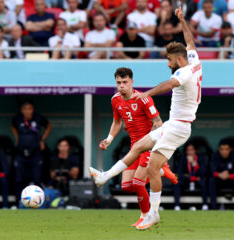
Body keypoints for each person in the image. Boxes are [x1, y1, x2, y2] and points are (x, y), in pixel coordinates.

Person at [90, 7, 202, 229]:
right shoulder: (194, 61)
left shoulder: (183, 73)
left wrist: (147, 93)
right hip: (175, 124)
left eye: (169, 60)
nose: (167, 63)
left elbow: (168, 84)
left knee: (151, 168)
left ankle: (153, 213)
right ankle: (104, 177)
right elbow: (190, 41)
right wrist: (182, 20)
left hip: (179, 126)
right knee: (139, 145)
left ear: (178, 60)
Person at [99, 67, 177, 226]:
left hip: (148, 145)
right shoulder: (115, 100)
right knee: (127, 186)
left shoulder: (143, 98)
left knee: (138, 183)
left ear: (131, 82)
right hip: (134, 147)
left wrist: (151, 139)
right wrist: (109, 139)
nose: (121, 86)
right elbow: (117, 122)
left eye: (125, 82)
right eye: (118, 82)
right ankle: (161, 170)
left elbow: (158, 123)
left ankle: (145, 216)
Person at [11, 100, 51, 205]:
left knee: (37, 178)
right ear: (21, 110)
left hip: (35, 151)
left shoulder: (38, 118)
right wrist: (17, 138)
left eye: (29, 108)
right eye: (25, 109)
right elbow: (13, 127)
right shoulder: (18, 119)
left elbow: (48, 126)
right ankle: (18, 203)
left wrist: (42, 140)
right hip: (21, 151)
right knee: (19, 179)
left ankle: (39, 203)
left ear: (32, 109)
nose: (27, 111)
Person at [208, 139, 234, 209]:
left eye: (226, 149)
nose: (224, 151)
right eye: (222, 149)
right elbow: (212, 171)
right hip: (219, 180)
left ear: (230, 149)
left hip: (231, 179)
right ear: (219, 149)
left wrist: (229, 176)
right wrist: (220, 175)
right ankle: (213, 208)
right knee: (211, 181)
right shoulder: (215, 155)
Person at [174, 142, 208, 211]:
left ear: (195, 150)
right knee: (177, 183)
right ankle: (177, 206)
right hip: (187, 180)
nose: (190, 152)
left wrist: (194, 163)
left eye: (191, 150)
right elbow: (179, 173)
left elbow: (203, 173)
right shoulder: (183, 158)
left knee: (204, 183)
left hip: (198, 180)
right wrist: (190, 178)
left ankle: (205, 205)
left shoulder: (201, 158)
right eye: (188, 150)